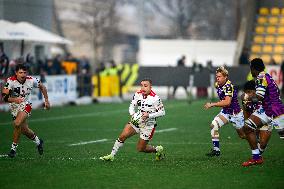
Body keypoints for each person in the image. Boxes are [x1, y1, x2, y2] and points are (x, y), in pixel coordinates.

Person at [100, 78, 166, 161]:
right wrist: (132, 114)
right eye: (141, 85)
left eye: (145, 86)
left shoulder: (155, 98)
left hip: (148, 125)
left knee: (140, 148)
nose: (143, 88)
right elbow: (132, 105)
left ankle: (157, 150)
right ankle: (111, 155)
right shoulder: (137, 94)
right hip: (136, 121)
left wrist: (149, 115)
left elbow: (162, 112)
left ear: (150, 87)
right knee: (122, 136)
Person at [242, 58, 284, 167]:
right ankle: (256, 158)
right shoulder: (267, 76)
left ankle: (257, 157)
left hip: (274, 110)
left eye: (251, 68)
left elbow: (259, 97)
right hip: (270, 109)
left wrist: (247, 97)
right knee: (247, 127)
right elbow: (277, 91)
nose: (250, 71)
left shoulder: (261, 77)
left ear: (254, 68)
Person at [2, 64, 50, 158]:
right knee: (24, 130)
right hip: (14, 107)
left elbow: (43, 87)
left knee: (17, 123)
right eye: (20, 72)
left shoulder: (31, 80)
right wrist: (15, 100)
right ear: (16, 73)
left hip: (26, 105)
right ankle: (38, 141)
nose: (23, 75)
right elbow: (4, 97)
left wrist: (47, 101)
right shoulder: (10, 81)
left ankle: (13, 149)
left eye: (24, 72)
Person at [204, 66, 245, 157]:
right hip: (226, 113)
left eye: (219, 76)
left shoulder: (228, 86)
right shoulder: (218, 85)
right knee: (213, 125)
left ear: (225, 77)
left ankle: (256, 137)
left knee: (243, 136)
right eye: (217, 76)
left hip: (235, 114)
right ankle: (216, 150)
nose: (217, 78)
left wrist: (212, 104)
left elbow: (227, 102)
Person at [241, 80, 272, 155]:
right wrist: (246, 122)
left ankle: (258, 153)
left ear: (255, 91)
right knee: (247, 131)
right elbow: (246, 111)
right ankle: (256, 156)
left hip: (266, 119)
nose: (247, 94)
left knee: (263, 144)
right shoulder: (245, 100)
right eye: (246, 92)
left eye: (249, 92)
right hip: (254, 119)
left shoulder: (262, 98)